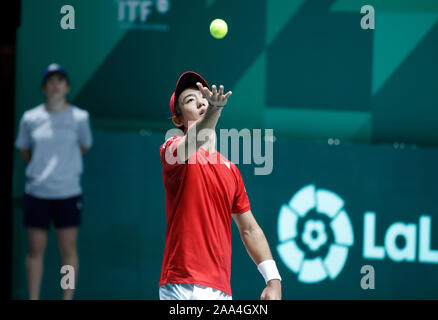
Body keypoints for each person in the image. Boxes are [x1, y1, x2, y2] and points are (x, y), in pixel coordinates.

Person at [159, 71, 282, 300]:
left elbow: (250, 229)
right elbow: (196, 138)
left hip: (221, 290)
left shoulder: (231, 170)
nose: (199, 101)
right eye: (189, 100)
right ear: (178, 120)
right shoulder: (172, 151)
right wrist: (214, 109)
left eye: (202, 96)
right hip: (183, 285)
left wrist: (273, 280)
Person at [15, 63, 93, 300]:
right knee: (35, 250)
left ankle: (66, 298)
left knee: (68, 250)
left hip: (68, 193)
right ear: (43, 88)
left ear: (67, 87)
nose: (55, 85)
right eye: (50, 81)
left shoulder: (80, 117)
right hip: (37, 193)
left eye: (60, 80)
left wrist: (63, 168)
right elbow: (24, 150)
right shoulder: (30, 118)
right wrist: (42, 169)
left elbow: (84, 146)